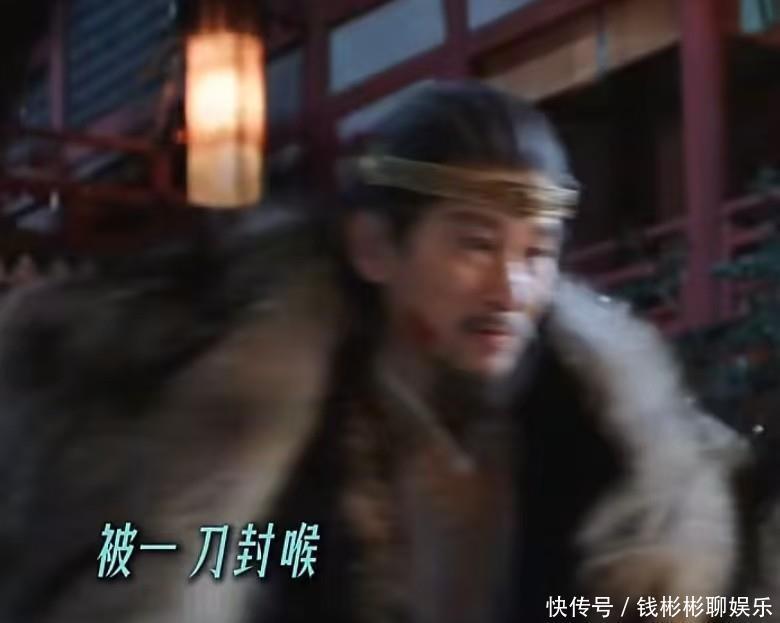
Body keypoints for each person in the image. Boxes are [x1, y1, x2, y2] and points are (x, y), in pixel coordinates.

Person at [0, 81, 749, 623]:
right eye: (475, 244)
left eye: (537, 253)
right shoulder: (265, 445)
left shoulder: (596, 440)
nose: (512, 288)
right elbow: (173, 562)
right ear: (374, 248)